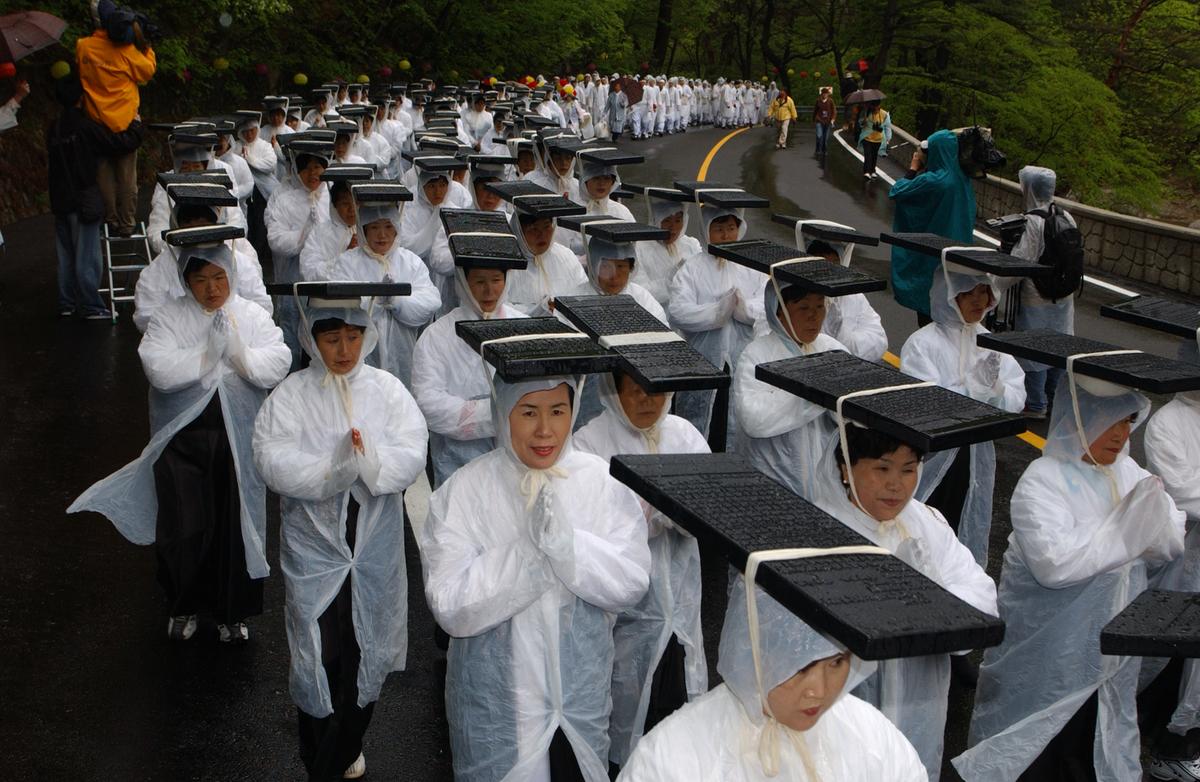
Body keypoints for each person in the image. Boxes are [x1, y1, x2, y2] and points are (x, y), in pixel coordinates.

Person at [421, 373, 652, 781]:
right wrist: (528, 554)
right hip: (501, 712)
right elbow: (450, 604)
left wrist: (569, 547)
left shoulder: (599, 481)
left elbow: (632, 579)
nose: (545, 430)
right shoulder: (466, 492)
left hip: (580, 703)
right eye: (528, 412)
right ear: (503, 412)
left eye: (558, 412)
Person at [956, 376, 1186, 781]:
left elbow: (1169, 543)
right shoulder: (1043, 480)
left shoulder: (1128, 470)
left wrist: (1147, 522)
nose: (1120, 434)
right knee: (1038, 731)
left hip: (1113, 635)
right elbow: (1056, 565)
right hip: (1050, 644)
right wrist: (1132, 526)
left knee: (1097, 729)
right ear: (1080, 419)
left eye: (1128, 421)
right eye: (1110, 421)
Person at [68, 228, 291, 643]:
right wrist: (207, 355)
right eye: (201, 279)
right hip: (182, 441)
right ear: (187, 281)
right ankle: (183, 603)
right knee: (185, 524)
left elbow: (278, 358)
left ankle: (232, 613)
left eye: (219, 278)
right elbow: (158, 368)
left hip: (236, 440)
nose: (212, 288)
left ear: (231, 276)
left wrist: (240, 354)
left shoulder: (252, 315)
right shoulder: (171, 316)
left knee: (234, 525)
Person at [252, 294, 428, 781]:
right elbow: (269, 455)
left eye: (353, 336)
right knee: (319, 649)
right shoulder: (291, 395)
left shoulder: (387, 390)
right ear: (311, 337)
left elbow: (412, 447)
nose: (344, 348)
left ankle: (345, 742)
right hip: (315, 548)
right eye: (332, 338)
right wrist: (329, 471)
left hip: (371, 544)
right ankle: (321, 757)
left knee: (363, 648)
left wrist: (369, 463)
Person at [813, 425, 998, 778]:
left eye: (909, 469)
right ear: (845, 468)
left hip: (922, 698)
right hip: (848, 704)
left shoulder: (925, 521)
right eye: (882, 469)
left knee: (913, 764)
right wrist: (930, 603)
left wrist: (920, 600)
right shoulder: (824, 532)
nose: (896, 484)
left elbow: (982, 598)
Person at [617, 577, 926, 780]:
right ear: (753, 652)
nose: (818, 691)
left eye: (836, 663)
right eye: (801, 668)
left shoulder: (873, 739)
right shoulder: (674, 756)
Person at [574, 370, 710, 769]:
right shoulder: (591, 443)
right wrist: (664, 509)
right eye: (636, 391)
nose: (649, 401)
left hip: (681, 607)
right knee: (625, 701)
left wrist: (659, 510)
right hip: (627, 614)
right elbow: (599, 525)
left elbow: (708, 506)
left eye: (658, 389)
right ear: (614, 393)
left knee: (677, 704)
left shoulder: (683, 435)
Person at [900, 264, 1024, 565]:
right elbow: (924, 402)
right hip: (934, 457)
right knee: (924, 529)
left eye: (984, 291)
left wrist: (994, 392)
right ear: (948, 295)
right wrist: (972, 392)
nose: (978, 300)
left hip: (975, 455)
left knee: (963, 529)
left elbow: (1017, 397)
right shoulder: (922, 344)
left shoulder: (990, 342)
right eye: (968, 292)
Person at [412, 261, 528, 488]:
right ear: (464, 283)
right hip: (457, 462)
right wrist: (496, 414)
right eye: (479, 282)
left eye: (496, 280)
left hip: (518, 461)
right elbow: (427, 401)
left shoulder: (524, 328)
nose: (489, 290)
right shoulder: (438, 336)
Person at [734, 278, 848, 500]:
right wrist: (816, 393)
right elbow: (753, 419)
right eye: (803, 307)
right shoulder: (757, 355)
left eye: (819, 306)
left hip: (827, 487)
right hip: (772, 482)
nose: (813, 316)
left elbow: (853, 414)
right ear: (778, 311)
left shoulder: (833, 350)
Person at [47, 74, 143, 320]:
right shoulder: (86, 126)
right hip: (83, 199)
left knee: (66, 256)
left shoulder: (54, 128)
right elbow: (119, 143)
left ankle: (67, 303)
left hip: (60, 200)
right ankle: (91, 305)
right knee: (86, 256)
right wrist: (135, 125)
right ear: (82, 97)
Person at [1142, 382, 1200, 780]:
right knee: (1171, 656)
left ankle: (1183, 745)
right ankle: (1165, 748)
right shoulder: (1169, 423)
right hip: (1181, 563)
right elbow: (1182, 492)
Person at [326, 186, 441, 386]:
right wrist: (374, 301)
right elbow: (339, 307)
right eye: (374, 227)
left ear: (397, 228)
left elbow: (431, 300)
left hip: (403, 351)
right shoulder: (347, 262)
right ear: (363, 229)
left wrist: (398, 301)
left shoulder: (410, 262)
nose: (382, 235)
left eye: (388, 227)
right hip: (361, 355)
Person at [668, 206, 765, 440]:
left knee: (734, 417)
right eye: (719, 229)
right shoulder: (692, 268)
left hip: (742, 356)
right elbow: (678, 311)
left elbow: (768, 304)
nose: (725, 235)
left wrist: (744, 310)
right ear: (706, 230)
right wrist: (716, 313)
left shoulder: (752, 265)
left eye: (731, 228)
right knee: (703, 418)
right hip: (704, 357)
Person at [76, 0, 156, 237]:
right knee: (127, 178)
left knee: (104, 176)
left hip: (96, 124)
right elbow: (148, 70)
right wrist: (147, 47)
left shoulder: (83, 47)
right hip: (126, 124)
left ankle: (110, 219)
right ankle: (127, 221)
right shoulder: (126, 51)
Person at [134, 201, 271, 333]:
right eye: (189, 225)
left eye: (204, 224)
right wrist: (190, 333)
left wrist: (232, 334)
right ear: (177, 226)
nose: (197, 232)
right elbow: (147, 316)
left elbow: (260, 306)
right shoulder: (161, 267)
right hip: (184, 347)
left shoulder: (238, 259)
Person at [1009, 166, 1077, 418]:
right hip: (1063, 295)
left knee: (1033, 347)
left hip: (1035, 294)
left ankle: (1035, 403)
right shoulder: (1066, 216)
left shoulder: (1032, 221)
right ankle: (1053, 397)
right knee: (1059, 344)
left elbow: (1020, 261)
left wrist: (992, 284)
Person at [888, 129, 976, 324]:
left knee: (930, 311)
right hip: (960, 258)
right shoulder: (963, 179)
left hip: (933, 258)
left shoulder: (935, 180)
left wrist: (913, 167)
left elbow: (897, 191)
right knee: (954, 314)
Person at [265, 142, 334, 369]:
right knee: (292, 330)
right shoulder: (285, 200)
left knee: (324, 331)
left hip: (325, 276)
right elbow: (275, 239)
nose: (313, 173)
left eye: (318, 167)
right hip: (293, 278)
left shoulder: (332, 196)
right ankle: (290, 377)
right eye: (307, 168)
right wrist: (303, 236)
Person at [802, 238, 887, 362]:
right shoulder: (792, 295)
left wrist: (842, 335)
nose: (828, 272)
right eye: (822, 264)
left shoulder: (853, 296)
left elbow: (878, 342)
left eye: (834, 264)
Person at [505, 208, 588, 316]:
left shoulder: (566, 257)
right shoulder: (507, 263)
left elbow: (584, 295)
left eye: (546, 227)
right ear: (519, 230)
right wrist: (541, 308)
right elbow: (501, 309)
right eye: (533, 228)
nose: (542, 235)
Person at [632, 189, 702, 310]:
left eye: (678, 220)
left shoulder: (691, 245)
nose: (673, 227)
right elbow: (640, 292)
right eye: (667, 220)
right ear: (656, 221)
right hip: (656, 314)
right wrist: (671, 280)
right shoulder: (639, 248)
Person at [856, 101, 891, 179]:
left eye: (876, 106)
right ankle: (866, 172)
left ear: (879, 106)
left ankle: (873, 171)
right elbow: (860, 123)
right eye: (873, 106)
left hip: (878, 139)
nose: (875, 108)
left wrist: (888, 139)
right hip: (867, 138)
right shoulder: (866, 113)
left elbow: (887, 127)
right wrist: (863, 122)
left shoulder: (884, 114)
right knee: (868, 155)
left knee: (874, 156)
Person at [813, 86, 836, 155]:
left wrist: (833, 119)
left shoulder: (830, 101)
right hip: (819, 120)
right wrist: (814, 118)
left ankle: (824, 150)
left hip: (828, 121)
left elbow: (834, 111)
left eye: (826, 93)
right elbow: (815, 110)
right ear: (821, 94)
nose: (825, 95)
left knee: (825, 137)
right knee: (819, 135)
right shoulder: (818, 101)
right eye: (823, 93)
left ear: (828, 94)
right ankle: (818, 149)